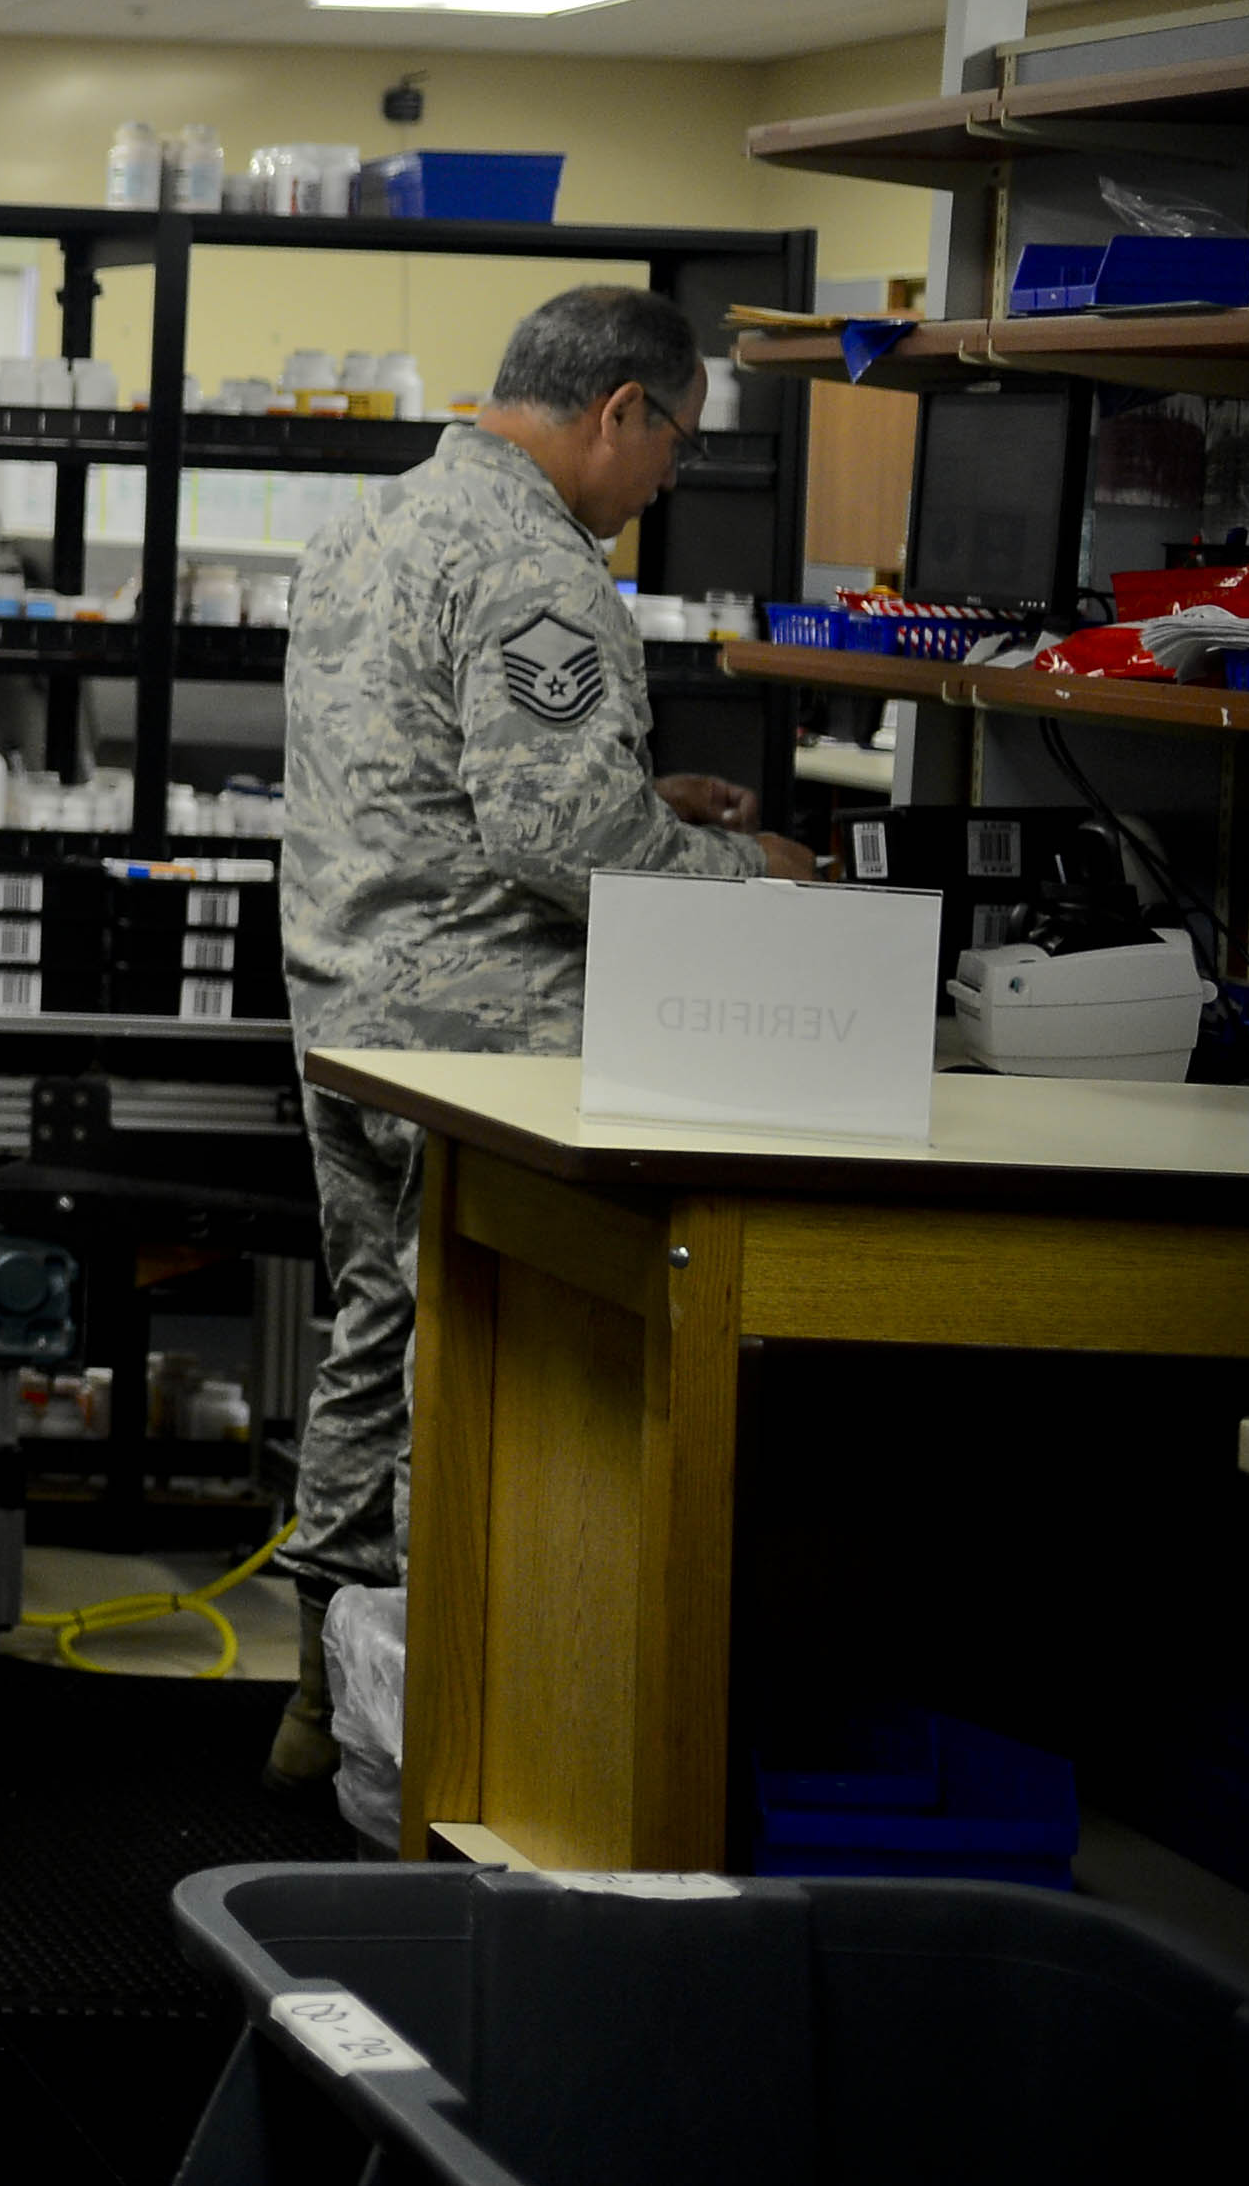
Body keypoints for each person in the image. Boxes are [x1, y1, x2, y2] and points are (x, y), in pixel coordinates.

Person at [268, 282, 815, 1787]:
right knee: (509, 1366)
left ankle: (328, 1690)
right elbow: (558, 839)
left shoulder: (369, 525)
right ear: (618, 408)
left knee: (378, 1327)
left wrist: (662, 803)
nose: (666, 483)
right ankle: (478, 1712)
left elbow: (437, 777)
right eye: (674, 446)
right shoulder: (535, 565)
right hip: (490, 1042)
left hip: (351, 1003)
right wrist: (747, 872)